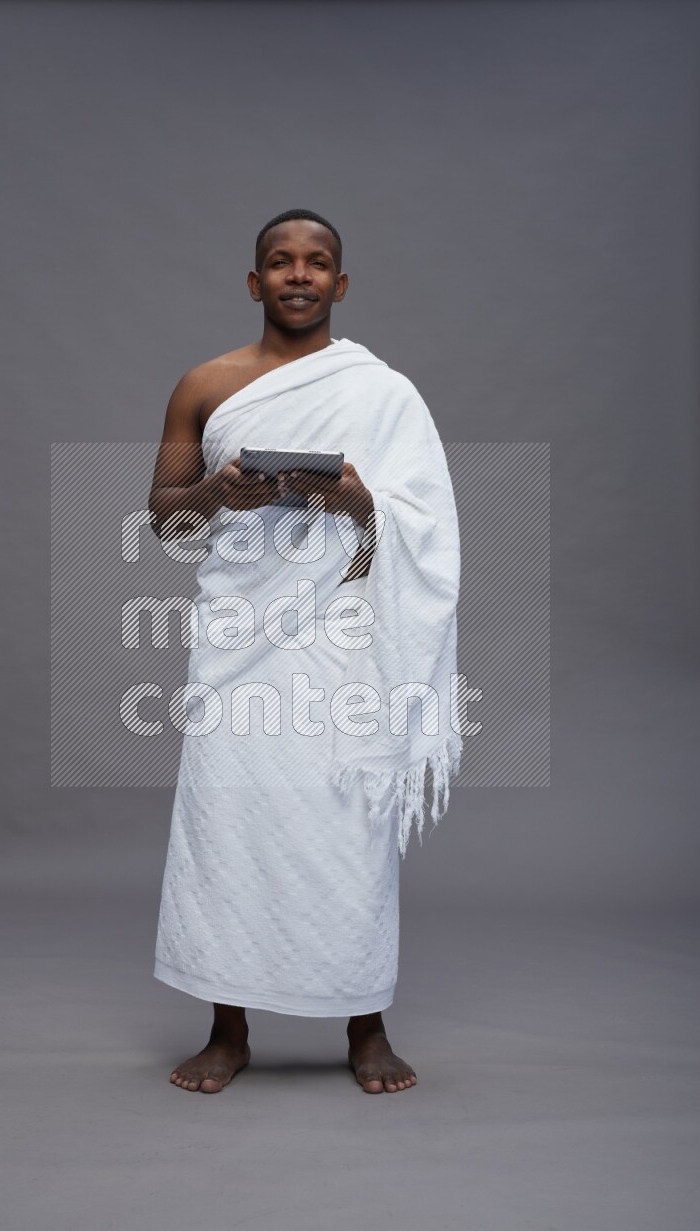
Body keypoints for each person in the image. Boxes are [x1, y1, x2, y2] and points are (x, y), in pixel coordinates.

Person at [148, 208, 461, 1094]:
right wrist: (219, 490)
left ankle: (365, 1024)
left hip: (342, 640)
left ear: (340, 284)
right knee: (227, 823)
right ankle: (227, 1027)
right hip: (238, 638)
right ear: (254, 283)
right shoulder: (203, 385)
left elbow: (424, 521)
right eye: (279, 262)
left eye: (316, 262)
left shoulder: (384, 391)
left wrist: (362, 501)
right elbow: (164, 514)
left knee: (348, 822)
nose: (297, 274)